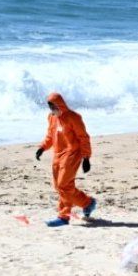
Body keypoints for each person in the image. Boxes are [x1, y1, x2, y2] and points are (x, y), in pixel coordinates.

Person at [35, 92, 97, 227]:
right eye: (50, 108)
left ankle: (63, 217)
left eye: (54, 108)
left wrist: (86, 158)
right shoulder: (51, 117)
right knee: (59, 186)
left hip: (72, 153)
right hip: (58, 154)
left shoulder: (74, 117)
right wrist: (42, 147)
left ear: (60, 105)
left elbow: (83, 138)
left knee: (63, 184)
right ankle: (87, 202)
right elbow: (50, 136)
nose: (52, 111)